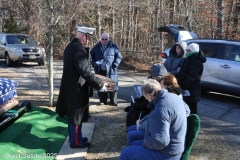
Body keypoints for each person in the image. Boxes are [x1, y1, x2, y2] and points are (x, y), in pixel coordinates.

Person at [56, 26, 108, 148]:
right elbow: (85, 71)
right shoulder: (78, 50)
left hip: (71, 87)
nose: (88, 41)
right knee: (76, 117)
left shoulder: (71, 46)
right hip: (77, 89)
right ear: (84, 36)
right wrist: (100, 84)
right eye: (88, 38)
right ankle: (76, 141)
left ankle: (76, 137)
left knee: (73, 115)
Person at [120, 79, 187, 160]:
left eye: (145, 97)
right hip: (175, 146)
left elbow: (160, 142)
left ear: (148, 96)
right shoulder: (173, 96)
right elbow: (187, 111)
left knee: (126, 152)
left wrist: (145, 141)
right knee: (134, 142)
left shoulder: (160, 110)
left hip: (167, 154)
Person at [124, 63, 168, 127]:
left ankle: (133, 129)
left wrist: (137, 105)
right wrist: (138, 100)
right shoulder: (153, 80)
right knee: (132, 107)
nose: (152, 77)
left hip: (151, 109)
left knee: (133, 112)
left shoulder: (162, 85)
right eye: (152, 75)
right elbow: (147, 96)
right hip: (149, 105)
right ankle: (132, 128)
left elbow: (150, 100)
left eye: (155, 76)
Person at [90, 33, 122, 106]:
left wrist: (115, 64)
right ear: (100, 39)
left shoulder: (113, 47)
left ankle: (113, 101)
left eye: (106, 39)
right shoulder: (96, 47)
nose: (104, 41)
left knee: (112, 86)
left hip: (111, 70)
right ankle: (103, 100)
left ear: (108, 39)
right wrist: (94, 63)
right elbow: (90, 56)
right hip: (100, 70)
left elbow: (119, 57)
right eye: (102, 39)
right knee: (101, 86)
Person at [178, 43, 207, 114]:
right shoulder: (189, 58)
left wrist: (184, 85)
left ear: (194, 51)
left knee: (192, 109)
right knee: (186, 107)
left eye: (189, 50)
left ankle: (193, 124)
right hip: (187, 88)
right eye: (187, 50)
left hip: (191, 89)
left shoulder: (196, 61)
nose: (187, 52)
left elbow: (192, 76)